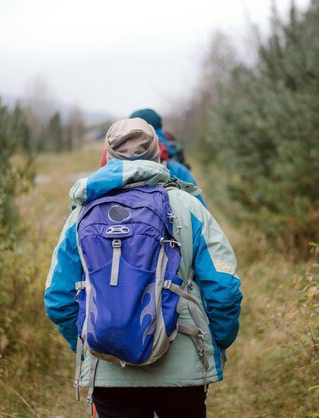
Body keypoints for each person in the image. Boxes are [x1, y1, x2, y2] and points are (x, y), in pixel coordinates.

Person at [44, 118, 242, 418]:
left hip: (109, 373)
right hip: (183, 368)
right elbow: (224, 288)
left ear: (108, 156)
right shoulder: (188, 207)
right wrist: (215, 341)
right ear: (156, 155)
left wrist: (94, 343)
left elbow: (57, 298)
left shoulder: (81, 215)